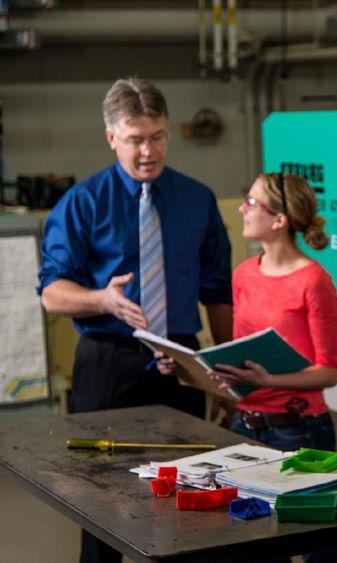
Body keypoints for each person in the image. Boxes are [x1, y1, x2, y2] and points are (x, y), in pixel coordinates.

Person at [38, 77, 233, 563]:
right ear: (111, 138)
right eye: (136, 140)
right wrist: (103, 299)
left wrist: (221, 373)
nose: (149, 151)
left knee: (191, 498)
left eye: (158, 137)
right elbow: (52, 294)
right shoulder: (83, 204)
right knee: (101, 500)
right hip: (109, 362)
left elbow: (217, 291)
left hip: (182, 359)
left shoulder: (197, 200)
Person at [209, 172, 337, 563]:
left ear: (279, 220)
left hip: (300, 432)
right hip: (245, 428)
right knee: (258, 546)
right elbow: (240, 355)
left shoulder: (314, 281)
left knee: (318, 547)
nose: (242, 209)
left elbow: (329, 370)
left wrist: (271, 379)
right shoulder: (244, 274)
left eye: (251, 203)